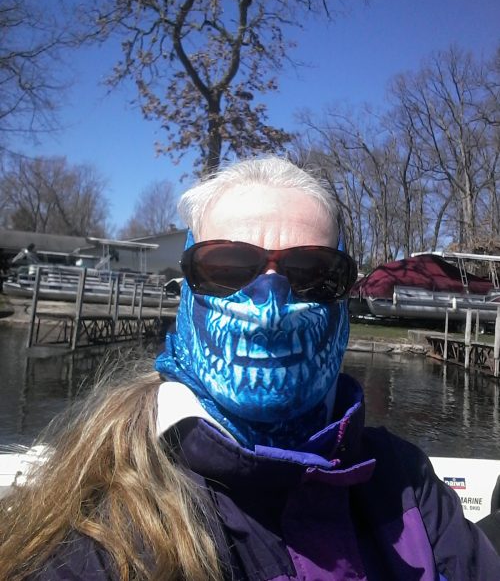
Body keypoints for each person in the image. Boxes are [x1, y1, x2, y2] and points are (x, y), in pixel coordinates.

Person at [1, 156, 499, 580]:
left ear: (342, 297)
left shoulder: (405, 482)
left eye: (312, 273)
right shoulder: (98, 536)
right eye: (227, 267)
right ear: (187, 292)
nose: (270, 309)